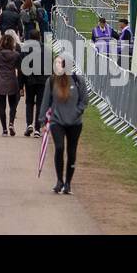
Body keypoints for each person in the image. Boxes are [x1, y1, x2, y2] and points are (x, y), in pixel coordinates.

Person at [42, 55, 88, 195]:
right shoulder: (51, 81)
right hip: (57, 121)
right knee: (60, 148)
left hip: (74, 123)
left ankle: (68, 182)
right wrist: (42, 121)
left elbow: (84, 101)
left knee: (71, 152)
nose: (58, 66)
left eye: (60, 63)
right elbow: (46, 101)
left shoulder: (78, 80)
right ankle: (59, 181)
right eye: (56, 63)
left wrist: (76, 112)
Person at [0, 31, 22, 136]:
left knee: (2, 106)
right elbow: (19, 67)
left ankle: (4, 129)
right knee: (13, 105)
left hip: (1, 81)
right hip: (12, 81)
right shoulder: (16, 55)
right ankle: (11, 123)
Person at [21, 27, 49, 137]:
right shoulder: (46, 49)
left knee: (29, 102)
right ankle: (37, 128)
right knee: (40, 104)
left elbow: (23, 67)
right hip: (42, 80)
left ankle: (29, 124)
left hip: (30, 79)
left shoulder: (26, 49)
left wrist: (21, 84)